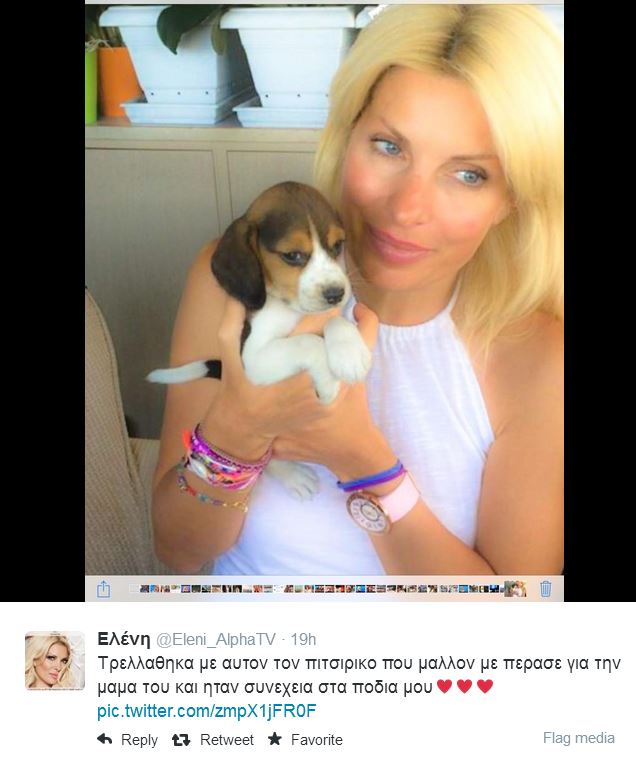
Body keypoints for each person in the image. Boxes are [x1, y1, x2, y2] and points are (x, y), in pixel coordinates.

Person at [151, 4, 563, 576]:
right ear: (346, 135)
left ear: (510, 199)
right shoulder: (234, 280)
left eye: (469, 174)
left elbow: (515, 618)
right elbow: (177, 550)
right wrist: (237, 431)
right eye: (389, 146)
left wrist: (361, 460)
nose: (407, 209)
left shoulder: (540, 360)